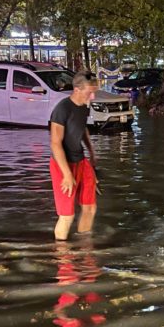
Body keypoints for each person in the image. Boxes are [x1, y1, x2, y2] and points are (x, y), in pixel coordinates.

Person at [49, 72, 99, 241]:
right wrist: (67, 175)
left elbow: (82, 128)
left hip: (81, 160)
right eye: (89, 92)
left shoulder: (84, 106)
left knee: (90, 207)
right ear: (77, 89)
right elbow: (55, 144)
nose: (93, 96)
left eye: (94, 92)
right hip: (62, 164)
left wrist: (91, 152)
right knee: (67, 215)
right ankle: (62, 257)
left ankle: (84, 247)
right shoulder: (62, 109)